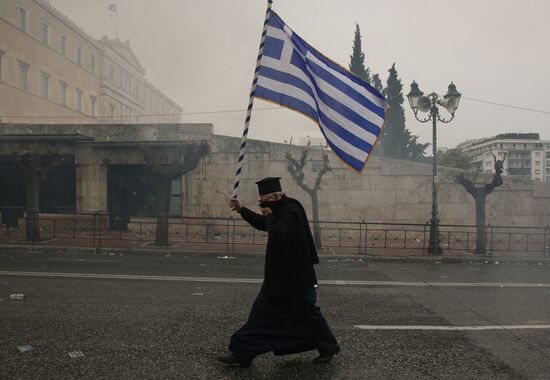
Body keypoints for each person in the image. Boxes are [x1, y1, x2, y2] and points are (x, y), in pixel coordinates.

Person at [217, 177, 340, 367]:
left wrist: (269, 216)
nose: (261, 204)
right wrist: (242, 210)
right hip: (277, 280)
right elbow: (264, 224)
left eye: (263, 201)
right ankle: (243, 352)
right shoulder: (278, 209)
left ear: (274, 197)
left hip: (296, 279)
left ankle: (328, 347)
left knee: (308, 314)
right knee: (260, 314)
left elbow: (281, 234)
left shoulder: (290, 210)